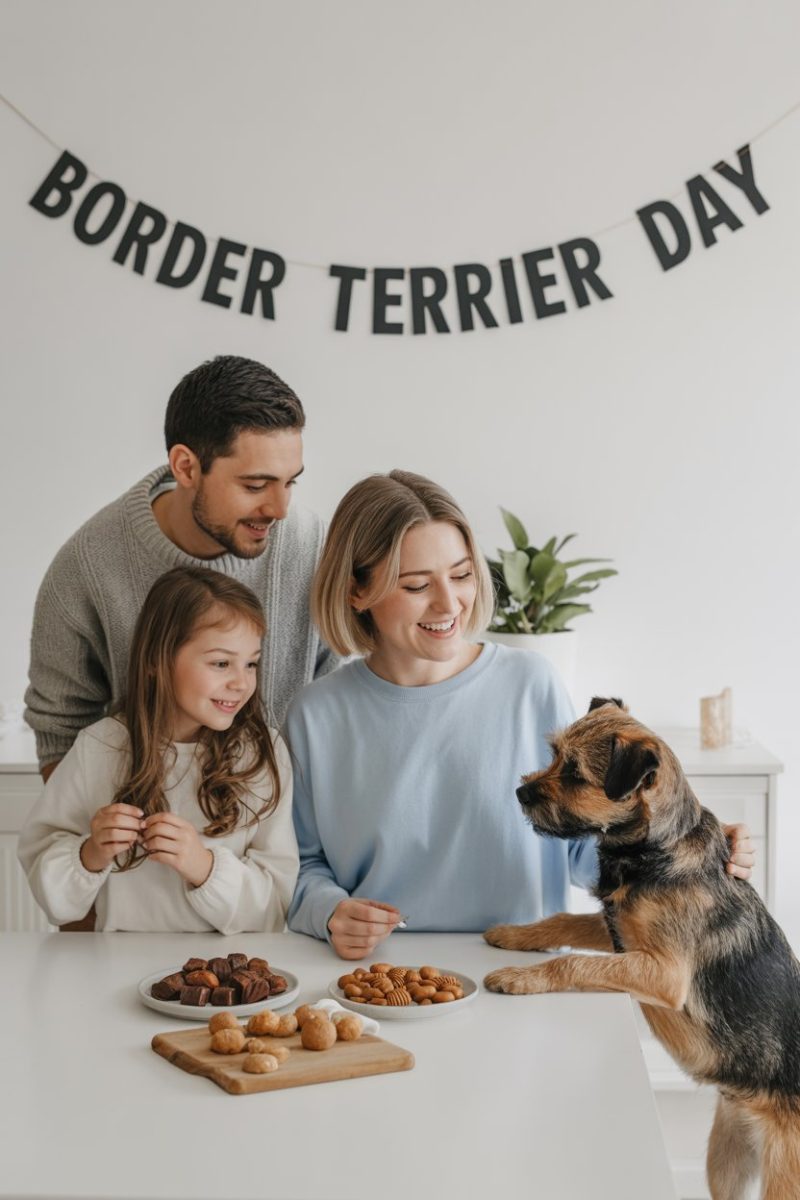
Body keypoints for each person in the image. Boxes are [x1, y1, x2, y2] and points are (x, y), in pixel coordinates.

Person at [286, 470, 755, 960]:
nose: (449, 603)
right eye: (416, 585)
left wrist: (696, 849)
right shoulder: (315, 716)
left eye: (462, 574)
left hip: (522, 969)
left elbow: (587, 848)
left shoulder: (531, 684)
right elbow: (300, 865)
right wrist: (330, 913)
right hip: (375, 980)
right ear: (357, 591)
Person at [25, 354, 338, 783]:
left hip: (290, 840)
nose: (279, 509)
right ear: (186, 466)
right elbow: (60, 733)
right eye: (255, 485)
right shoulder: (86, 567)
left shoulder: (315, 548)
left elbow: (339, 707)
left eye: (290, 482)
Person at [18, 567, 298, 933]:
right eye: (221, 663)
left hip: (229, 976)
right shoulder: (100, 747)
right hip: (113, 969)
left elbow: (276, 907)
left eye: (251, 663)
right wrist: (91, 854)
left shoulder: (263, 754)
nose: (241, 682)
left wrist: (203, 867)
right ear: (157, 660)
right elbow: (51, 896)